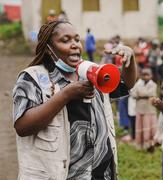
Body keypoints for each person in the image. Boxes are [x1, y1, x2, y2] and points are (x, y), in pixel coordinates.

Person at [12, 20, 137, 179]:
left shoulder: (92, 72)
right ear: (49, 49)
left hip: (101, 173)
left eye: (77, 39)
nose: (75, 45)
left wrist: (130, 60)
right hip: (61, 174)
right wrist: (66, 95)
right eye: (65, 40)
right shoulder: (33, 78)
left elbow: (126, 84)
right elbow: (22, 126)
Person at [131, 68, 157, 151]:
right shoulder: (138, 83)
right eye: (144, 75)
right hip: (139, 109)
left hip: (149, 110)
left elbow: (151, 93)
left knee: (149, 128)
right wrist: (145, 95)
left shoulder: (153, 84)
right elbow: (133, 94)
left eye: (147, 75)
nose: (145, 77)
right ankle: (140, 147)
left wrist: (140, 94)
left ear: (151, 76)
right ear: (141, 75)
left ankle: (150, 146)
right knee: (140, 127)